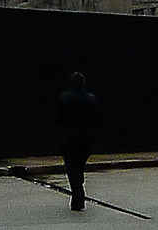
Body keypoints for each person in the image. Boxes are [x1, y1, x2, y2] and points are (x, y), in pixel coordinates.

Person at [56, 71, 98, 213]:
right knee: (79, 166)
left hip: (69, 138)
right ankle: (78, 192)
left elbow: (59, 116)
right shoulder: (91, 99)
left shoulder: (64, 98)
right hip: (86, 139)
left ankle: (78, 196)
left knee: (72, 167)